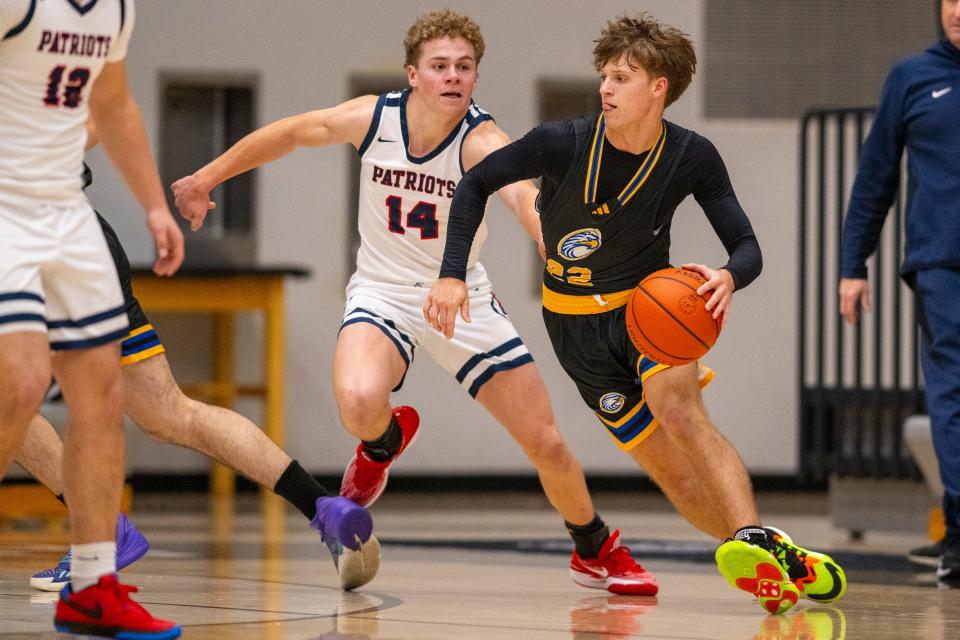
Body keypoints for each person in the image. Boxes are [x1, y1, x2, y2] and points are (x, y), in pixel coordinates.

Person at [172, 9, 655, 595]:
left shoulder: (483, 140)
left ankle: (594, 545)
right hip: (383, 290)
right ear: (413, 75)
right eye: (440, 66)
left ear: (476, 76)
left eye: (465, 67)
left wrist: (564, 248)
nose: (453, 77)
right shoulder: (375, 119)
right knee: (356, 400)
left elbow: (527, 201)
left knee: (546, 441)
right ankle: (382, 442)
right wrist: (206, 178)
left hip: (463, 296)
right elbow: (290, 133)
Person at [425, 14, 847, 614]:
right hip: (573, 330)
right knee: (673, 475)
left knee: (679, 408)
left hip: (647, 309)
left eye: (622, 77)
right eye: (604, 76)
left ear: (659, 87)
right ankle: (764, 552)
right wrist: (450, 273)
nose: (606, 87)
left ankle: (751, 533)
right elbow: (473, 186)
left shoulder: (691, 156)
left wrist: (729, 276)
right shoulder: (562, 142)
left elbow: (747, 247)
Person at [19, 157, 379, 594]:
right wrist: (155, 207)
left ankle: (100, 532)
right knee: (170, 414)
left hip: (38, 243)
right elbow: (103, 119)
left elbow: (99, 120)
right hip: (77, 234)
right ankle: (321, 505)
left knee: (17, 405)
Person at [0, 0, 181, 636]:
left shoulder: (115, 10)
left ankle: (92, 585)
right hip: (5, 205)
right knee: (19, 385)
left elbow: (115, 105)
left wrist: (155, 207)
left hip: (66, 212)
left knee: (102, 393)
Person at [839, 0, 960, 587]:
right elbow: (875, 176)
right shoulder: (912, 77)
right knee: (953, 394)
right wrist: (852, 263)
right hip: (942, 265)